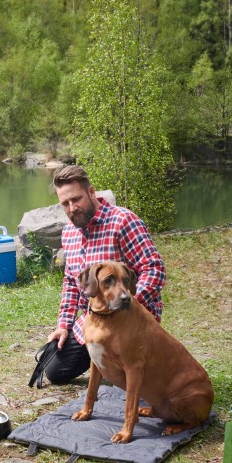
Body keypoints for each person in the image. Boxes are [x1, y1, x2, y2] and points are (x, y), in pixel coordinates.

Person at [42, 164, 166, 384]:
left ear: (91, 192)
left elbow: (154, 268)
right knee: (54, 370)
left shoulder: (123, 221)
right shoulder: (69, 232)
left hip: (130, 319)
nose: (72, 208)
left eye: (76, 199)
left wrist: (129, 305)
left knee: (130, 376)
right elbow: (71, 282)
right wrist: (63, 325)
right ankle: (111, 363)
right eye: (65, 204)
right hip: (95, 320)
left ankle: (136, 360)